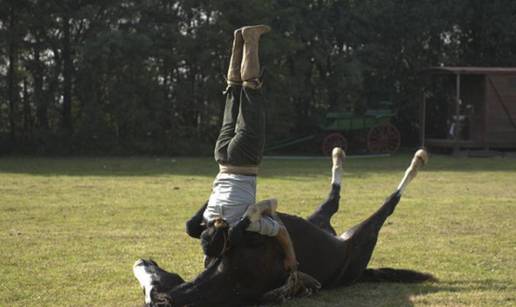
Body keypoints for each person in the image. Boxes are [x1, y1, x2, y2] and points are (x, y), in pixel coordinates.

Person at [185, 25, 298, 272]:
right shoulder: (205, 220)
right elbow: (193, 227)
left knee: (251, 88)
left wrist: (290, 256)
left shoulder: (244, 223)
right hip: (221, 158)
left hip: (244, 160)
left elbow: (275, 217)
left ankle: (251, 39)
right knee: (233, 89)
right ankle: (238, 40)